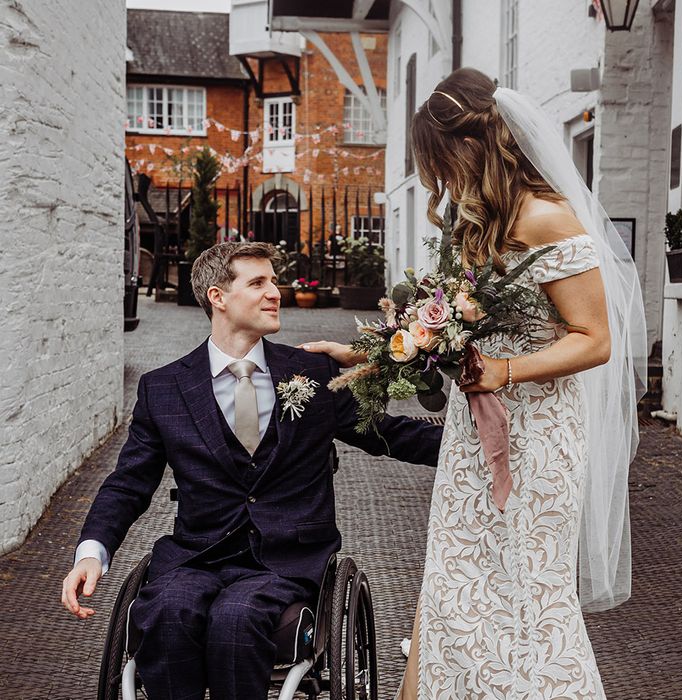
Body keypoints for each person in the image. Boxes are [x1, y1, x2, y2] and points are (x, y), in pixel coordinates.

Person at [304, 68, 647, 699]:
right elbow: (442, 334)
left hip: (538, 438)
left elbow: (594, 339)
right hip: (473, 434)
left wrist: (505, 370)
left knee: (526, 596)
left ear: (469, 146)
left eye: (438, 162)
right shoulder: (475, 228)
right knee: (456, 586)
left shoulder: (549, 218)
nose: (437, 181)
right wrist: (362, 354)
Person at [60, 242, 443, 700]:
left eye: (274, 281)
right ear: (218, 297)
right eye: (258, 283)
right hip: (196, 555)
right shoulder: (163, 389)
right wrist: (91, 552)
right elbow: (129, 481)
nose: (275, 292)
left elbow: (387, 433)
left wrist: (473, 447)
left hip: (287, 561)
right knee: (167, 609)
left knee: (237, 616)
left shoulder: (312, 372)